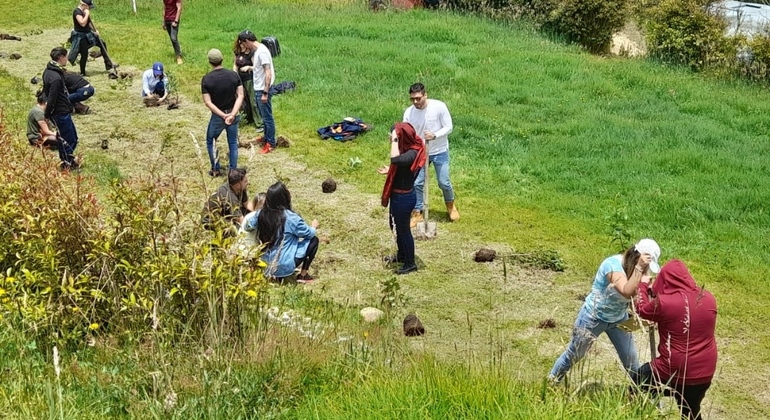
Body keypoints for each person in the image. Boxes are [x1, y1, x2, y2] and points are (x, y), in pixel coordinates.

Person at [548, 239, 662, 383]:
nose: (646, 269)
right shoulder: (612, 265)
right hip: (593, 317)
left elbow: (635, 298)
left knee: (631, 360)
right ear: (636, 257)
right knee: (575, 354)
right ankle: (551, 382)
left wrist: (647, 310)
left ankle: (640, 392)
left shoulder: (641, 270)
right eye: (645, 265)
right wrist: (639, 268)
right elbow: (626, 291)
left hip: (619, 320)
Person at [632, 260, 717, 420]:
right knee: (690, 412)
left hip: (672, 369)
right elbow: (685, 311)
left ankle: (636, 413)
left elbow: (642, 309)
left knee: (639, 381)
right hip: (704, 371)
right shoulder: (709, 298)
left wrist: (643, 286)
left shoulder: (663, 303)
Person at [403, 82, 459, 227]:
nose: (416, 102)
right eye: (413, 99)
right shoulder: (409, 112)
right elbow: (406, 131)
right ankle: (417, 212)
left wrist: (434, 135)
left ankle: (450, 205)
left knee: (444, 181)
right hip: (420, 152)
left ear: (425, 95)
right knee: (417, 183)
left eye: (418, 98)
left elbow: (449, 127)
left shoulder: (439, 107)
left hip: (439, 151)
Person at [244, 182, 319, 282]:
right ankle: (303, 274)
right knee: (314, 240)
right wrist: (313, 226)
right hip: (284, 266)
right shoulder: (291, 217)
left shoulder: (261, 214)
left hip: (265, 265)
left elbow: (247, 227)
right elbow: (308, 234)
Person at [378, 123, 427, 275]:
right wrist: (390, 171)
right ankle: (402, 254)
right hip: (398, 196)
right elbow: (399, 166)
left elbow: (396, 159)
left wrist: (394, 140)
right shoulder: (408, 149)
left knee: (403, 230)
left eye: (393, 136)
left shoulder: (412, 152)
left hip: (403, 198)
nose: (390, 138)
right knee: (394, 227)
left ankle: (410, 263)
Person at [201, 48, 244, 177]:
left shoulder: (207, 79)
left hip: (218, 117)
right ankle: (233, 171)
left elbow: (208, 102)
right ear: (222, 59)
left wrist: (222, 115)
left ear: (210, 62)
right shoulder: (233, 75)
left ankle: (215, 169)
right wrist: (232, 114)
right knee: (232, 143)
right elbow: (240, 95)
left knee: (211, 140)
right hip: (233, 114)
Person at [237, 30, 276, 154]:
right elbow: (259, 68)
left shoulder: (262, 52)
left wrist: (265, 92)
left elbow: (268, 73)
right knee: (264, 117)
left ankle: (271, 143)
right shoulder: (259, 51)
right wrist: (250, 67)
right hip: (259, 88)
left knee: (267, 117)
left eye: (243, 44)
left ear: (247, 41)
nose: (243, 47)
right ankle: (266, 137)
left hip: (262, 89)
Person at [43, 47, 79, 170]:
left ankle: (68, 160)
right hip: (60, 112)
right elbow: (52, 98)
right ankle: (67, 163)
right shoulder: (56, 78)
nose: (67, 59)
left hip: (61, 111)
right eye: (66, 56)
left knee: (70, 137)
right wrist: (47, 114)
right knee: (68, 139)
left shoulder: (48, 71)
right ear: (61, 58)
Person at [201, 167, 251, 237]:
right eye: (245, 181)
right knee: (237, 231)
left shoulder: (240, 187)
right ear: (237, 185)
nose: (248, 183)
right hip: (213, 221)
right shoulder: (229, 197)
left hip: (226, 213)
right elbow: (241, 220)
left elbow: (247, 204)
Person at [68, 0, 113, 76]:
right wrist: (87, 14)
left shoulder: (85, 11)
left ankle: (109, 65)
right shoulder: (77, 12)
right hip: (80, 36)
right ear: (84, 5)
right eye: (89, 7)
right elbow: (82, 23)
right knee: (84, 54)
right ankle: (83, 72)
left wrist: (95, 30)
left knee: (102, 44)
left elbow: (88, 23)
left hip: (89, 34)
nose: (90, 9)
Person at [232, 34, 263, 130]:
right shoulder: (236, 52)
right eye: (239, 43)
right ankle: (246, 118)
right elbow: (235, 65)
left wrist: (249, 67)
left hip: (249, 79)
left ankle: (259, 123)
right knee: (243, 100)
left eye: (242, 43)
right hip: (239, 79)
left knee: (253, 101)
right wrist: (235, 74)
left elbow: (256, 67)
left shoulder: (251, 53)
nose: (241, 45)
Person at [162, 0, 184, 65]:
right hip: (167, 19)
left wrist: (176, 21)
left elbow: (179, 8)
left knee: (173, 38)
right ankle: (177, 52)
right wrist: (163, 22)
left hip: (173, 20)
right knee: (172, 38)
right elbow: (164, 8)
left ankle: (178, 57)